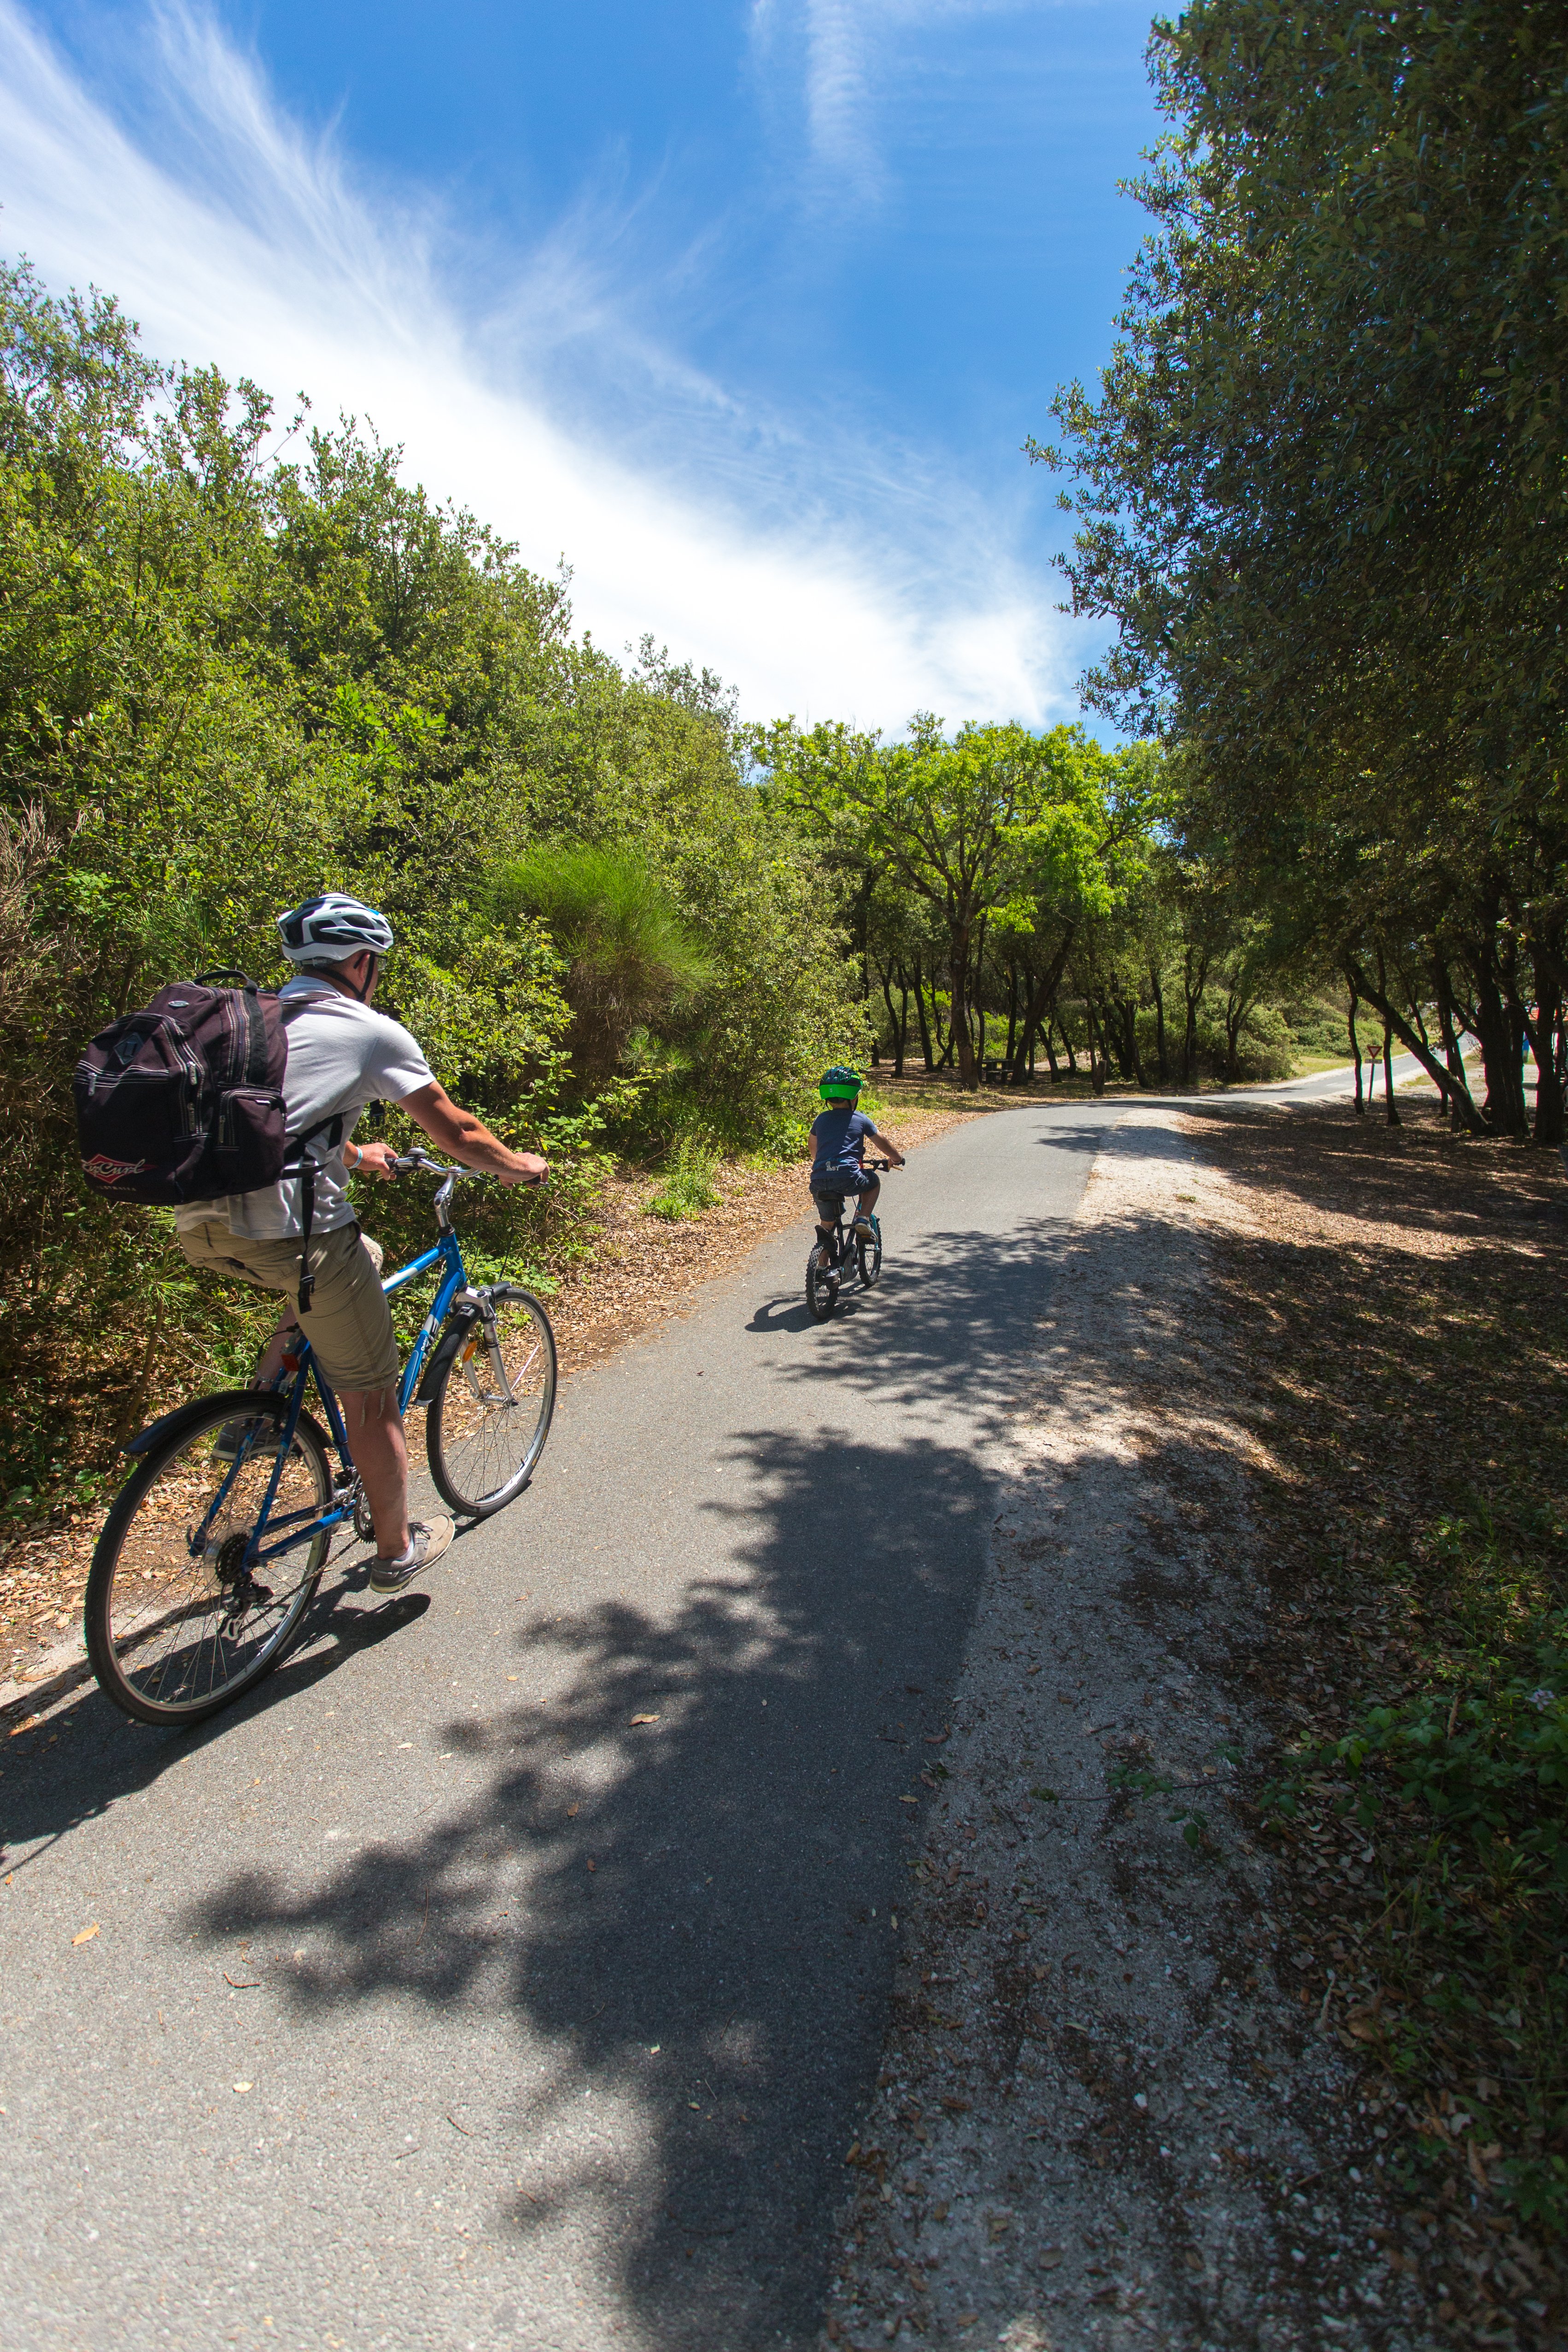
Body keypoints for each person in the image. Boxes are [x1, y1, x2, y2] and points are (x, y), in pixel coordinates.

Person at [176, 894, 547, 1593]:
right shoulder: (368, 1029)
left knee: (363, 1259)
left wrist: (353, 1151)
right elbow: (458, 1133)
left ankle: (260, 1407)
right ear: (359, 961)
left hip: (201, 1224)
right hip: (294, 1232)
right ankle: (397, 1548)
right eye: (376, 963)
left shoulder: (252, 1022)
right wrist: (520, 1164)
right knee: (372, 1401)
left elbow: (272, 1125)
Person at [805, 1065, 904, 1243]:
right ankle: (863, 1219)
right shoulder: (859, 1119)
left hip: (819, 1180)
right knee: (873, 1182)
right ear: (854, 1097)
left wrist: (826, 1163)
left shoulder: (820, 1119)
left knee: (827, 1226)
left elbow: (813, 1148)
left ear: (828, 1099)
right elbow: (882, 1141)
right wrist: (897, 1159)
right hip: (848, 1177)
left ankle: (821, 1266)